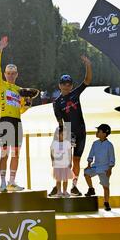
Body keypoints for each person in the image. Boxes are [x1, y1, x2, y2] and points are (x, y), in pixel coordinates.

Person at [49, 55, 93, 197]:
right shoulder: (57, 103)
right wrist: (61, 133)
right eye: (64, 83)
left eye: (69, 84)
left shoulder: (75, 94)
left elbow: (87, 81)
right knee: (65, 161)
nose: (66, 86)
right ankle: (61, 188)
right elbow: (59, 120)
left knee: (77, 160)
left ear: (72, 86)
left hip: (81, 130)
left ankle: (74, 185)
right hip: (68, 133)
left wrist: (88, 65)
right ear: (59, 85)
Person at [0, 36, 32, 192]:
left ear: (17, 74)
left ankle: (12, 182)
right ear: (4, 74)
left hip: (17, 122)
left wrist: (27, 105)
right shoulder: (1, 84)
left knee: (16, 154)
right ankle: (3, 182)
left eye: (13, 73)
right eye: (8, 73)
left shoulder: (20, 90)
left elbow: (21, 109)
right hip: (4, 121)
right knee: (4, 153)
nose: (10, 75)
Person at [84, 124, 115, 211]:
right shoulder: (95, 143)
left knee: (105, 187)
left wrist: (110, 169)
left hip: (105, 169)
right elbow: (91, 154)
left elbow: (112, 158)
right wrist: (89, 165)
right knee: (86, 173)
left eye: (99, 131)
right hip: (95, 166)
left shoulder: (109, 145)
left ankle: (106, 203)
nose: (96, 132)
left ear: (104, 133)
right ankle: (91, 189)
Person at [50, 126, 73, 198]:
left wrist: (70, 162)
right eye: (62, 134)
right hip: (57, 165)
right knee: (58, 179)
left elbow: (70, 153)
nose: (64, 136)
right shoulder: (54, 143)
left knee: (65, 179)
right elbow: (51, 153)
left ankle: (65, 191)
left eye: (65, 135)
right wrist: (52, 161)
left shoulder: (67, 143)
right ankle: (59, 191)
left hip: (65, 165)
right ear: (57, 135)